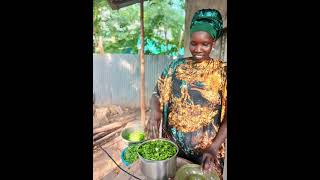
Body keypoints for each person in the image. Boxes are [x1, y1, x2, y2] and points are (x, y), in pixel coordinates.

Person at [145, 8, 227, 177]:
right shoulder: (175, 68)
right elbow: (156, 93)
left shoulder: (222, 73)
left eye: (205, 44)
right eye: (193, 43)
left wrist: (213, 147)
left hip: (207, 154)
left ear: (214, 43)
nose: (198, 49)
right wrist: (155, 113)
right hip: (173, 150)